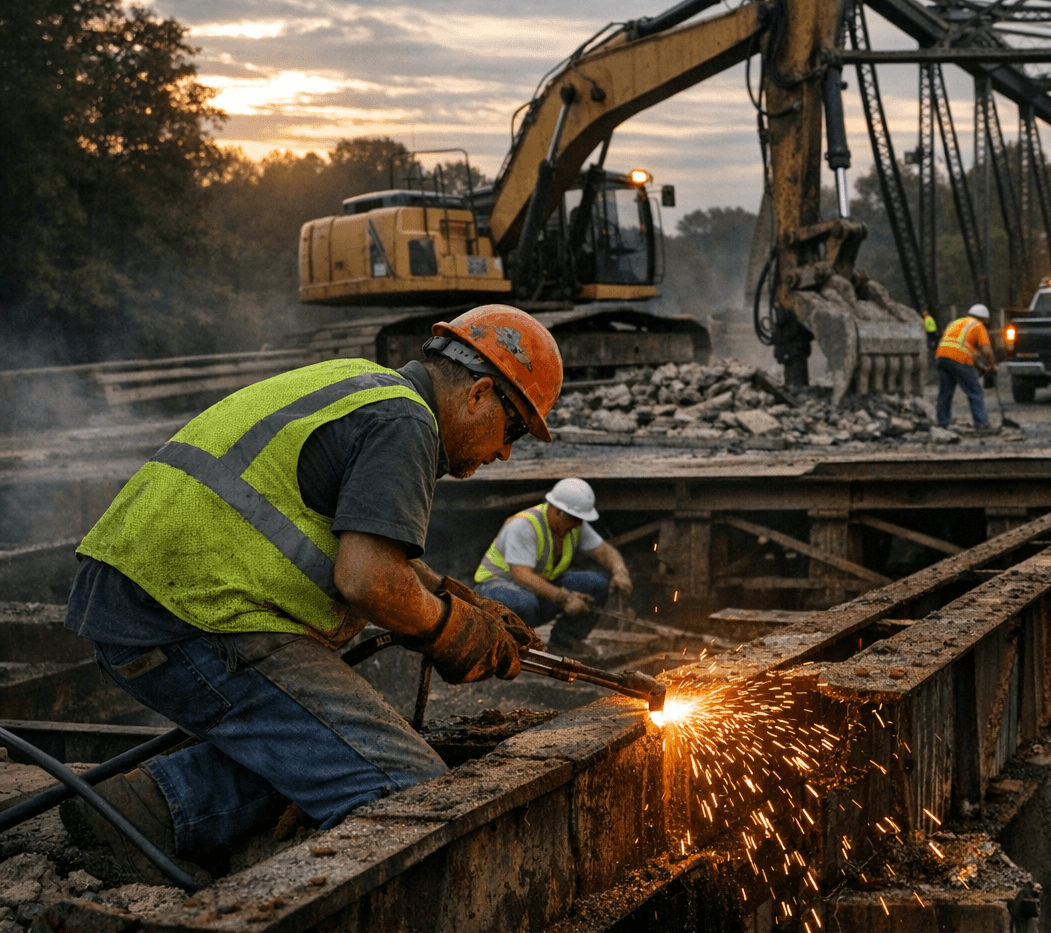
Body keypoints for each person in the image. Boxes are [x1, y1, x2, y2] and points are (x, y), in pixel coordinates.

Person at [59, 304, 563, 878]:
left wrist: (454, 596)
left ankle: (150, 808)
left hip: (141, 600)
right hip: (190, 619)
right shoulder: (407, 424)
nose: (504, 452)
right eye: (514, 428)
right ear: (477, 394)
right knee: (412, 794)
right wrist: (452, 630)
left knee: (330, 744)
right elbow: (367, 579)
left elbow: (355, 540)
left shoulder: (359, 384)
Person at [472, 478, 634, 656]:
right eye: (575, 519)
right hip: (495, 589)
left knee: (598, 584)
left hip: (534, 589)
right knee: (524, 604)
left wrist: (620, 572)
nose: (579, 524)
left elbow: (604, 551)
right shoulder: (523, 526)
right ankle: (505, 645)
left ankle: (565, 642)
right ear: (557, 512)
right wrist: (564, 598)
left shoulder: (574, 525)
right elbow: (521, 576)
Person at [934, 304, 996, 430]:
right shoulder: (978, 326)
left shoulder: (954, 323)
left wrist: (980, 368)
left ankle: (942, 423)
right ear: (984, 319)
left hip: (942, 357)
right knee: (975, 393)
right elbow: (986, 350)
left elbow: (964, 349)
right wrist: (992, 366)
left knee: (945, 393)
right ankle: (982, 425)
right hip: (959, 360)